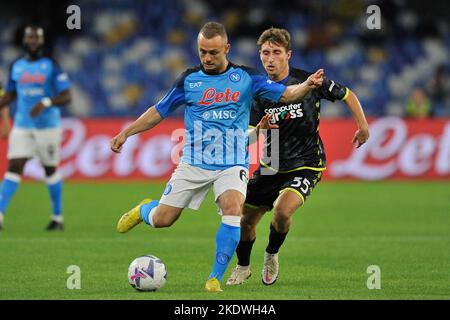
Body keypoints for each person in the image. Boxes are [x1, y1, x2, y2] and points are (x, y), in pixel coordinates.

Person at [110, 22, 324, 292]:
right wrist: (126, 133)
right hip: (194, 162)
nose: (208, 58)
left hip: (232, 163)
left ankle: (215, 278)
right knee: (163, 220)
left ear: (226, 48)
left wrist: (307, 85)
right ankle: (144, 210)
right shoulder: (189, 80)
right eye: (202, 52)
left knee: (233, 208)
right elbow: (158, 111)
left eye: (213, 52)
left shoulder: (247, 78)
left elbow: (286, 94)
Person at [226, 27, 370, 286]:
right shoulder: (258, 91)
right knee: (245, 220)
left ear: (288, 55)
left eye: (276, 53)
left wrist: (362, 125)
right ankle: (243, 266)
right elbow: (249, 133)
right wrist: (258, 130)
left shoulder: (310, 81)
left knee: (282, 212)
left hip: (306, 163)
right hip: (271, 166)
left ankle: (271, 254)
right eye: (265, 53)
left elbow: (347, 94)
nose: (270, 59)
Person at [0, 26, 72, 231]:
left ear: (41, 41)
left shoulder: (51, 65)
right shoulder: (17, 65)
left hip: (48, 127)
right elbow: (11, 94)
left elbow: (67, 96)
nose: (33, 41)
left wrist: (46, 102)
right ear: (24, 40)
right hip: (22, 125)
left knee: (50, 169)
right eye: (30, 37)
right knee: (14, 166)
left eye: (36, 38)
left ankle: (57, 217)